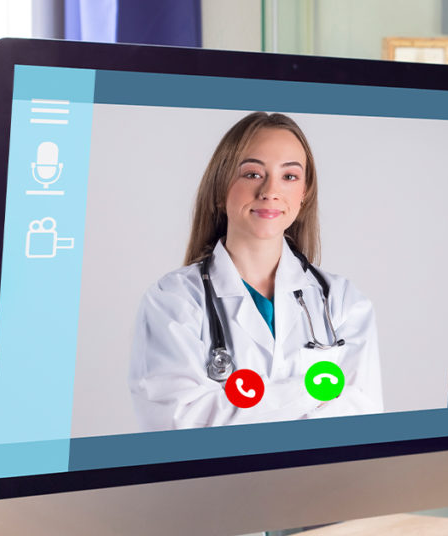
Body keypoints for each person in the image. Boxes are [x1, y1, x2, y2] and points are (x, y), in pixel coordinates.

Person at [128, 112, 384, 431]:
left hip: (324, 481)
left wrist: (236, 407)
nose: (269, 191)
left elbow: (360, 420)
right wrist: (314, 392)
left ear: (304, 193)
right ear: (221, 186)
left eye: (289, 176)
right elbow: (181, 424)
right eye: (252, 173)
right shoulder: (174, 301)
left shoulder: (343, 301)